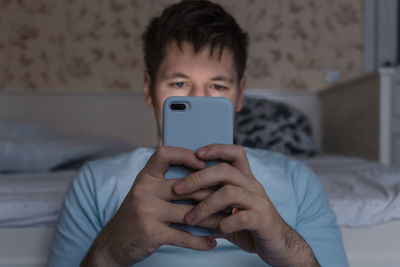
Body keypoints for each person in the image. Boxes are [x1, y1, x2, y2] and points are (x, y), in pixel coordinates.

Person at [48, 1, 348, 266]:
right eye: (179, 84)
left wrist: (287, 248)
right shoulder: (95, 182)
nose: (200, 99)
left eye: (218, 87)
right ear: (149, 90)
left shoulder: (297, 181)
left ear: (240, 94)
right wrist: (109, 254)